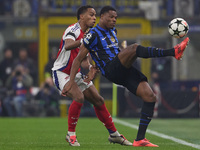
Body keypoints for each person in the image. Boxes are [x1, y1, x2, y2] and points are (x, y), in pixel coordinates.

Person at [65, 6, 190, 147]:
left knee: (150, 97)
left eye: (116, 18)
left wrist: (122, 52)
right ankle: (173, 52)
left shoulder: (113, 31)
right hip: (110, 69)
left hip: (121, 68)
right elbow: (78, 59)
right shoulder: (92, 34)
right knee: (135, 48)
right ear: (102, 16)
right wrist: (71, 81)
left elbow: (110, 51)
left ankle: (140, 139)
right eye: (111, 17)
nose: (114, 20)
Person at [52, 5, 132, 146]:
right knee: (79, 97)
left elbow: (83, 60)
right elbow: (68, 45)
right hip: (61, 72)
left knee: (98, 100)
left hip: (75, 73)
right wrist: (85, 40)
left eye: (95, 15)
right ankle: (71, 134)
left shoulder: (89, 33)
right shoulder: (73, 29)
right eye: (91, 14)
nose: (94, 17)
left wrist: (90, 68)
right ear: (81, 16)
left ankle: (114, 135)